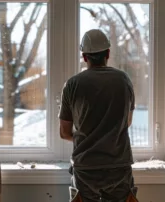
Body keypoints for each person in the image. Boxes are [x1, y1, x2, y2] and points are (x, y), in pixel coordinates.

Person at [58, 29, 138, 202]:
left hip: (86, 167)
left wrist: (88, 138)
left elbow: (64, 132)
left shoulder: (73, 84)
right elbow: (127, 121)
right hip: (119, 166)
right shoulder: (124, 80)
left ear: (85, 57)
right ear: (108, 53)